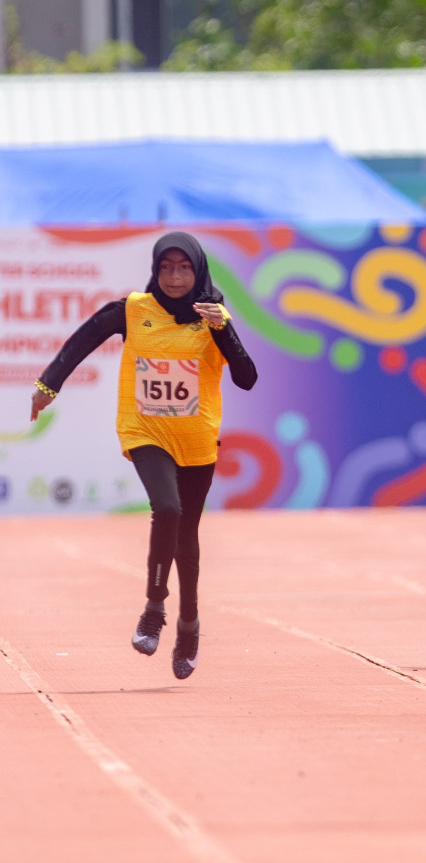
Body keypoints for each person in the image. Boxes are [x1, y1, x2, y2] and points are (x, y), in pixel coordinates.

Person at [30, 232, 258, 680]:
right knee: (166, 509)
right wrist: (47, 386)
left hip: (196, 439)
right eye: (166, 267)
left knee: (187, 538)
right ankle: (155, 608)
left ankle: (189, 624)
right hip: (145, 431)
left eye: (184, 268)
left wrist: (223, 329)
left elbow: (247, 378)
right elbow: (81, 340)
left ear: (198, 270)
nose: (174, 277)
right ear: (155, 270)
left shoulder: (213, 315)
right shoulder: (133, 310)